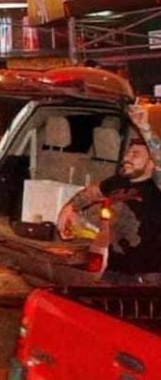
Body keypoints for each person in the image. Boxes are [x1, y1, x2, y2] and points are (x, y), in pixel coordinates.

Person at [56, 121, 161, 284]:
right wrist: (70, 208)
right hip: (112, 270)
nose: (126, 157)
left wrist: (146, 128)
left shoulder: (156, 188)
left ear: (152, 163)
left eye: (135, 154)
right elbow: (91, 192)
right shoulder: (118, 181)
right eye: (128, 153)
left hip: (146, 279)